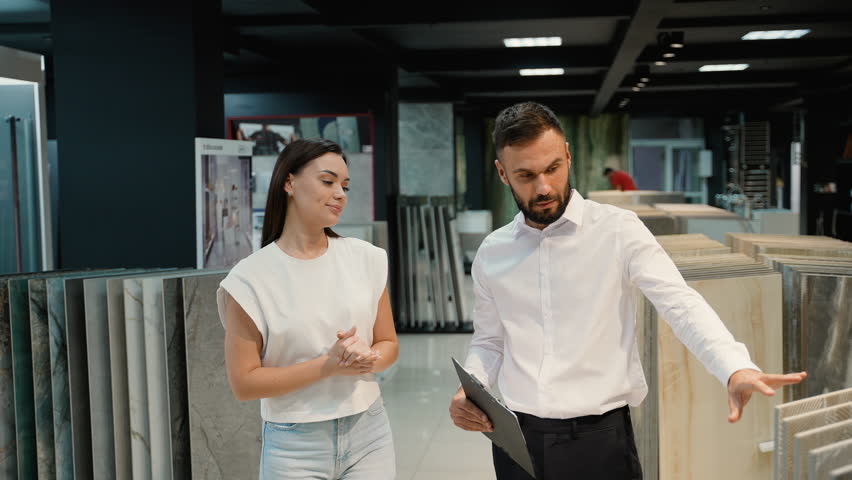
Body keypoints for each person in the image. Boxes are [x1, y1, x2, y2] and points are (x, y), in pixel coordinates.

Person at [448, 102, 806, 479]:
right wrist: (472, 389)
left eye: (553, 168)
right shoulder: (493, 252)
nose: (543, 187)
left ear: (568, 155)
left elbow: (679, 304)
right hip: (517, 441)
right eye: (525, 175)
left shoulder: (618, 230)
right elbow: (489, 341)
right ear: (502, 173)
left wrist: (733, 368)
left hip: (600, 442)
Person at [217, 138, 399, 479]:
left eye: (344, 186)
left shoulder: (367, 259)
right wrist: (328, 366)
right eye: (328, 181)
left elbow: (388, 345)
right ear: (289, 182)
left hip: (369, 429)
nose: (340, 194)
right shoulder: (249, 279)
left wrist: (367, 357)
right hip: (293, 445)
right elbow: (244, 383)